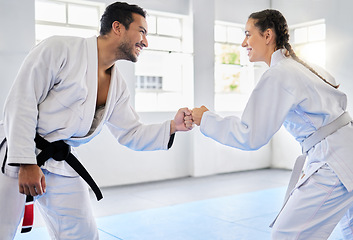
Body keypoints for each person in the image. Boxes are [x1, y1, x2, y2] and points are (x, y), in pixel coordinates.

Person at [0, 2, 193, 239]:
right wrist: (26, 162)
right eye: (142, 31)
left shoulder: (118, 85)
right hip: (17, 155)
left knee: (83, 234)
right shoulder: (59, 48)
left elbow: (131, 132)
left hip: (61, 163)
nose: (145, 41)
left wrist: (174, 126)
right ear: (118, 27)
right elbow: (21, 101)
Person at [192, 9, 353, 240]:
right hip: (345, 153)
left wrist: (205, 119)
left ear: (268, 35)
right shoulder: (304, 66)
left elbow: (250, 136)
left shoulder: (280, 73)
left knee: (287, 234)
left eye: (248, 34)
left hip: (334, 163)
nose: (243, 43)